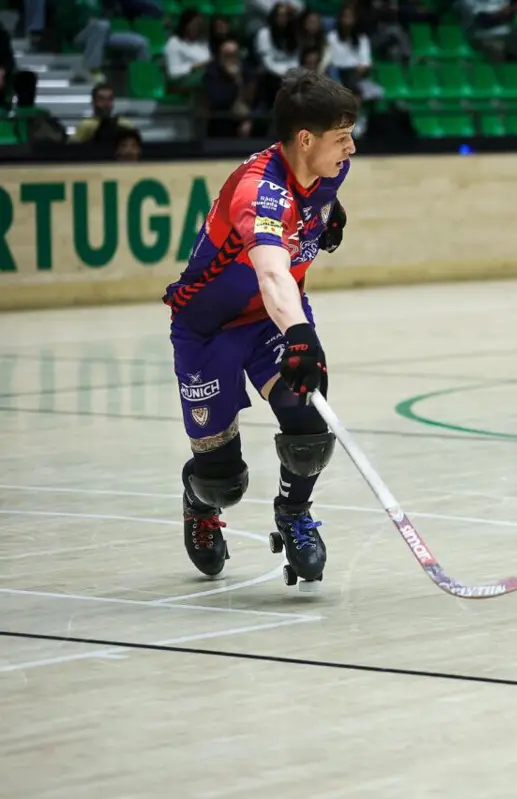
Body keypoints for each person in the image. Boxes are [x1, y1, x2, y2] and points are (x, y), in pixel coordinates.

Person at [162, 68, 357, 589]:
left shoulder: (328, 169)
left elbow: (311, 205)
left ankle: (294, 514)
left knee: (310, 418)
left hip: (270, 317)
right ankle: (197, 501)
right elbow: (270, 270)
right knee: (222, 481)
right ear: (305, 139)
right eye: (342, 138)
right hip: (209, 329)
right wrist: (301, 334)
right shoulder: (257, 191)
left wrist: (327, 215)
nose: (351, 148)